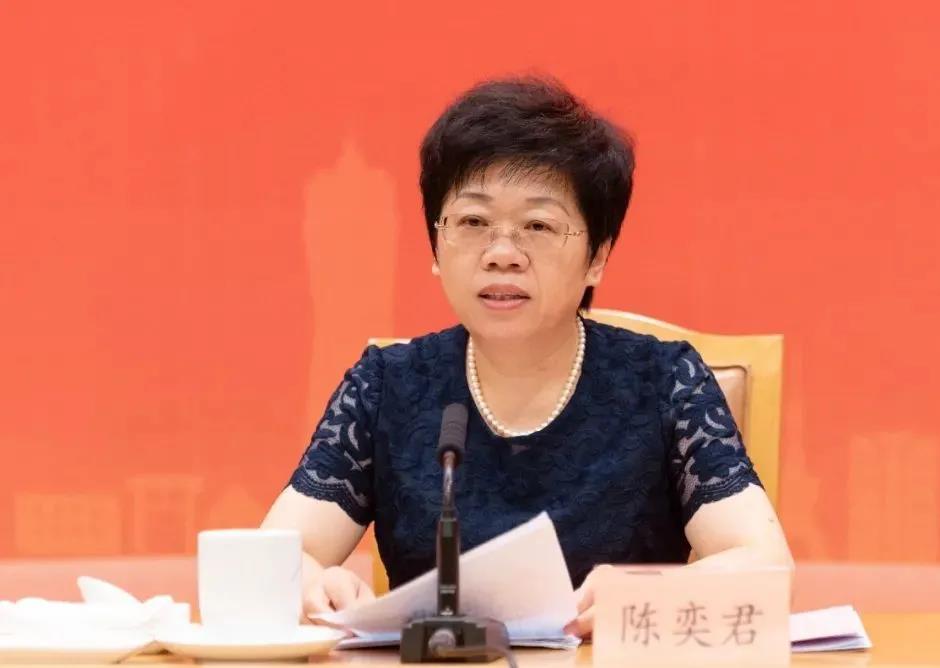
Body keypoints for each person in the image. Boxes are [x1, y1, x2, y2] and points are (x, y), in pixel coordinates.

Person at [262, 76, 792, 638]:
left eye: (538, 226)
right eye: (473, 222)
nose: (502, 254)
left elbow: (766, 567)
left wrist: (646, 594)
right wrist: (316, 584)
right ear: (435, 246)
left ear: (597, 257)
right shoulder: (387, 386)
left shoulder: (664, 382)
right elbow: (272, 560)